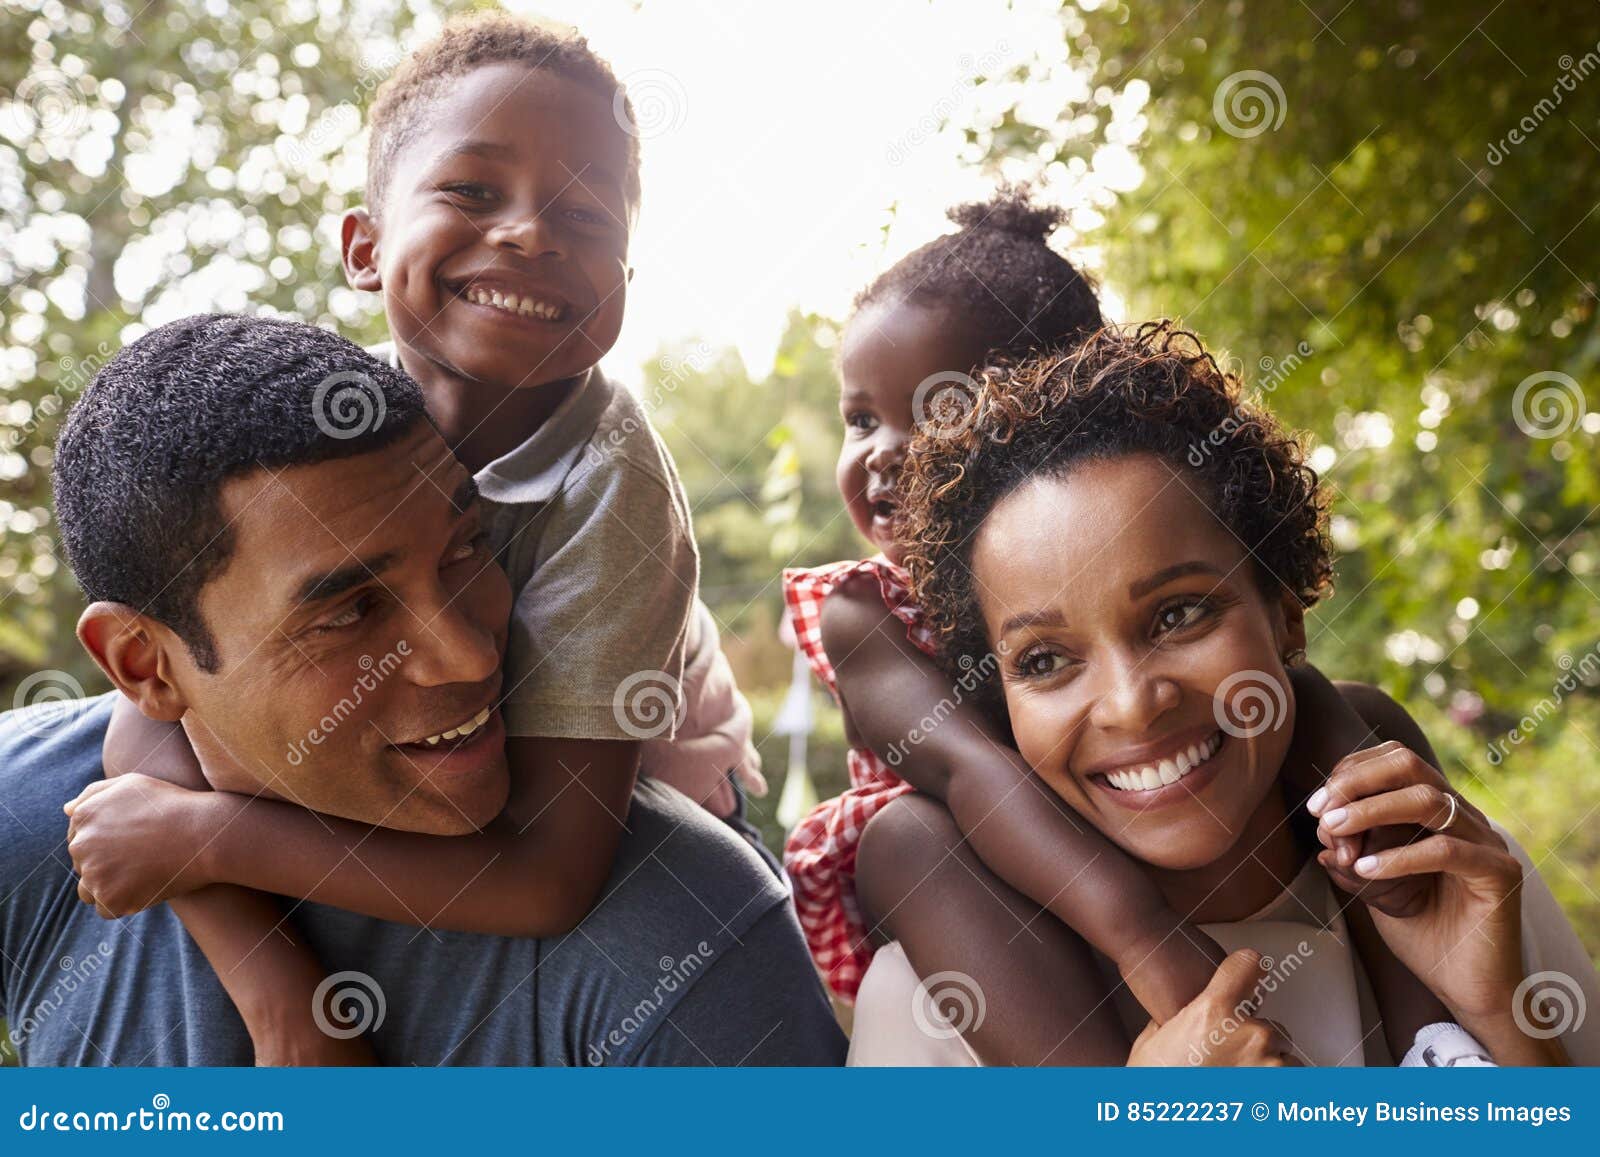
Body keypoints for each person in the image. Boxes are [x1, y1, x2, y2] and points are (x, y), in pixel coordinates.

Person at [63, 12, 776, 1058]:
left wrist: (214, 832)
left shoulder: (611, 484)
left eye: (587, 216)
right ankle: (288, 1016)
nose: (532, 232)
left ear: (625, 279)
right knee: (139, 750)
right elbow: (145, 738)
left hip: (626, 797)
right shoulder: (333, 420)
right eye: (473, 192)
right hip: (438, 759)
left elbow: (548, 875)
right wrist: (272, 976)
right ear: (363, 249)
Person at [3, 313, 845, 1066]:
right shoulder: (29, 813)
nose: (471, 658)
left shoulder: (688, 950)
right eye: (352, 609)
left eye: (466, 548)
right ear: (145, 666)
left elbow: (552, 879)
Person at [784, 190, 1463, 1065]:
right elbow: (971, 771)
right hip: (981, 867)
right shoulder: (862, 608)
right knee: (904, 838)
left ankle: (1440, 1046)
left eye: (937, 411)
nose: (883, 451)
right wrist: (1154, 945)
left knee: (1355, 713)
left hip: (1114, 806)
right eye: (862, 418)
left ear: (1053, 410)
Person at [854, 320, 1599, 1065]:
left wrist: (1502, 1023)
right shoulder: (937, 1007)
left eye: (1178, 615)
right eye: (1045, 659)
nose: (1131, 703)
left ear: (1285, 617)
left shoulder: (1471, 887)